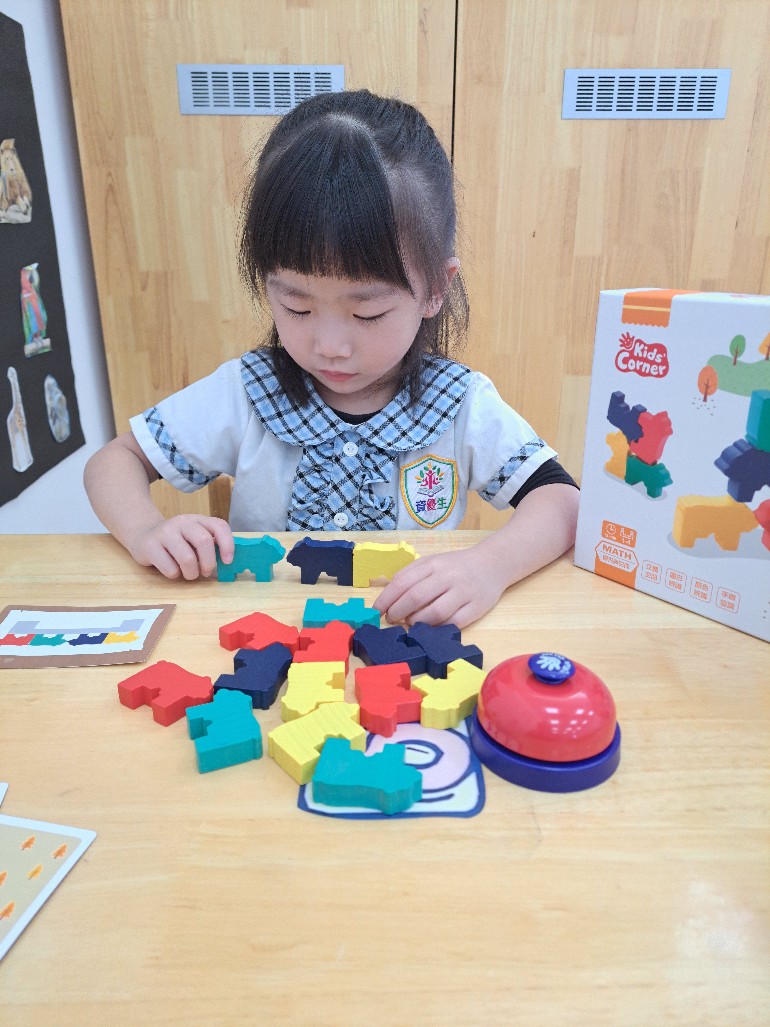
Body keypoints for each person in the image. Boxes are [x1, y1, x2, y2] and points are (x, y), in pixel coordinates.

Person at [84, 89, 579, 629]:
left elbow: (562, 501)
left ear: (436, 287)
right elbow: (115, 462)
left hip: (404, 638)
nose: (330, 346)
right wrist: (147, 530)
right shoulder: (249, 392)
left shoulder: (459, 404)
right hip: (265, 639)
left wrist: (488, 567)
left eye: (367, 314)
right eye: (296, 307)